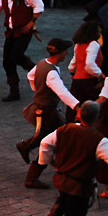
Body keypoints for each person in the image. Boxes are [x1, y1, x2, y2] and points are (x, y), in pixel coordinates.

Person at [25, 101, 108, 216]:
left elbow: (45, 143)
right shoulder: (99, 141)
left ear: (80, 115)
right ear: (96, 118)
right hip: (80, 186)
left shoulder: (65, 130)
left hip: (62, 179)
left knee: (64, 197)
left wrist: (46, 161)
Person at [16, 38, 80, 169]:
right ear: (60, 53)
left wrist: (37, 89)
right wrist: (77, 106)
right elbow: (62, 92)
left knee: (49, 134)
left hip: (42, 107)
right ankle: (42, 159)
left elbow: (30, 76)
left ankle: (45, 157)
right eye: (65, 51)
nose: (66, 53)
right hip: (48, 110)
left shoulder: (41, 63)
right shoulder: (51, 73)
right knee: (59, 134)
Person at [67, 22, 105, 123]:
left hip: (77, 82)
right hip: (89, 82)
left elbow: (72, 64)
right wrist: (100, 75)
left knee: (76, 109)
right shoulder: (93, 44)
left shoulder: (78, 45)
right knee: (93, 109)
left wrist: (72, 73)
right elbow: (89, 65)